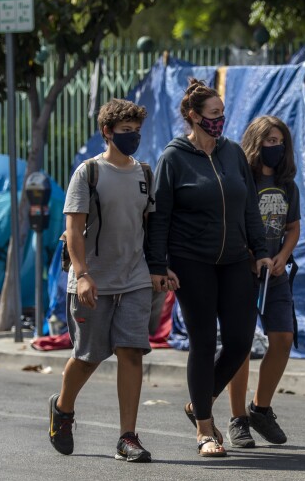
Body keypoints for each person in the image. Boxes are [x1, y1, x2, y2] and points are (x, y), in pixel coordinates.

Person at [146, 79, 272, 458]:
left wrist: (261, 250)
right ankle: (205, 429)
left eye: (222, 114)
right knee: (202, 340)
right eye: (214, 115)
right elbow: (160, 217)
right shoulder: (174, 158)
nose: (220, 120)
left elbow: (249, 205)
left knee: (239, 341)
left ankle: (197, 402)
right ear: (194, 117)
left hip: (234, 259)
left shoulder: (232, 153)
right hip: (191, 261)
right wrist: (158, 265)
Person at [49, 98, 173, 463]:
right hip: (93, 281)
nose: (133, 137)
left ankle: (127, 437)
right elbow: (73, 230)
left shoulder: (144, 174)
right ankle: (63, 408)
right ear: (107, 132)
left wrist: (159, 268)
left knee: (132, 351)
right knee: (88, 357)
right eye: (125, 131)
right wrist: (83, 275)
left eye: (137, 131)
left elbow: (151, 228)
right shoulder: (88, 173)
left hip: (134, 277)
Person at [226, 115, 300, 447]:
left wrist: (282, 256)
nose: (276, 146)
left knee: (282, 338)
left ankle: (261, 409)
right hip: (245, 273)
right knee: (240, 347)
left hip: (277, 277)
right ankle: (237, 418)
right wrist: (252, 256)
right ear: (256, 143)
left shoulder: (288, 184)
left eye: (280, 141)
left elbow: (293, 227)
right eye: (269, 140)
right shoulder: (243, 180)